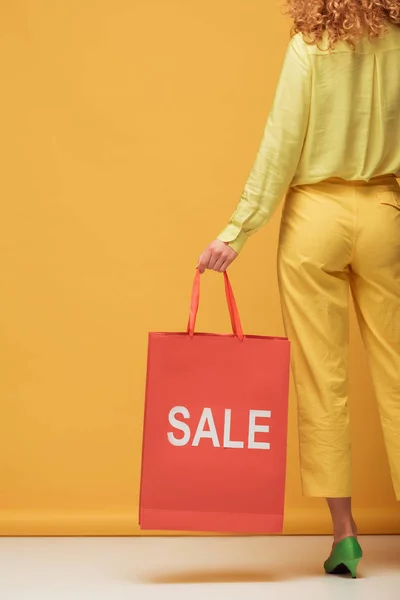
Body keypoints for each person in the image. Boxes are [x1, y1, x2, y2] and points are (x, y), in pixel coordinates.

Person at [197, 0, 400, 578]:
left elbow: (281, 146)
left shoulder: (310, 46)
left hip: (315, 220)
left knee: (322, 376)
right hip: (387, 212)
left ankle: (345, 537)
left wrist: (237, 232)